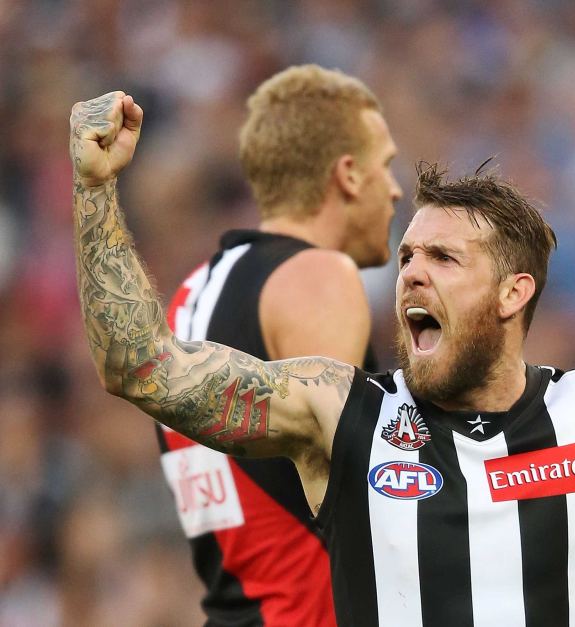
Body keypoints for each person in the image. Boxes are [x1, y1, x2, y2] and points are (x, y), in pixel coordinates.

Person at [69, 90, 575, 627]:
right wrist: (96, 190)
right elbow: (142, 369)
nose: (409, 275)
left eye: (442, 258)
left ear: (514, 293)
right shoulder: (342, 414)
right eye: (405, 258)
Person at [156, 65, 401, 626]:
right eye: (384, 164)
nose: (394, 188)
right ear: (347, 175)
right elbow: (359, 485)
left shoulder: (189, 296)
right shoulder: (319, 275)